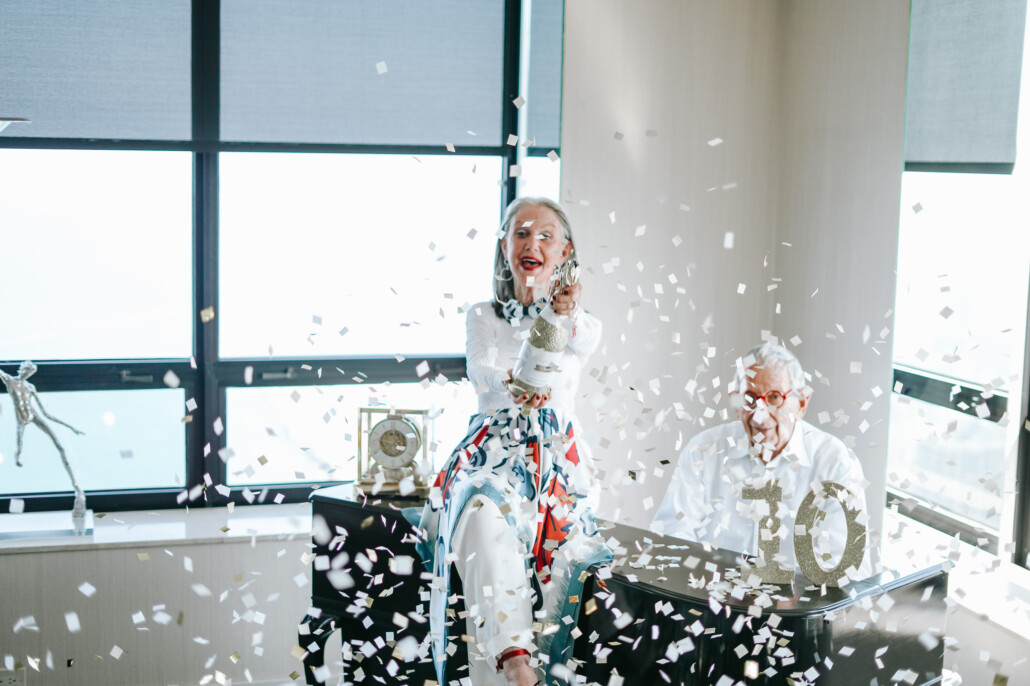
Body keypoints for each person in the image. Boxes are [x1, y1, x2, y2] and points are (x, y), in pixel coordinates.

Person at [417, 197, 611, 686]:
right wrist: (518, 380)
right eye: (522, 234)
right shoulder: (482, 315)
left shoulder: (580, 325)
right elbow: (482, 374)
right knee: (483, 514)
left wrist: (561, 309)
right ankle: (514, 659)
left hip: (552, 465)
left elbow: (578, 338)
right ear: (505, 246)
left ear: (565, 252)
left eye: (547, 236)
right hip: (491, 454)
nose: (533, 244)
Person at [651, 343, 872, 580]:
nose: (759, 414)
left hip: (799, 610)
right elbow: (670, 538)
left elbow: (849, 571)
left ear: (801, 404)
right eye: (749, 398)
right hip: (710, 603)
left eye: (774, 398)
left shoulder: (836, 463)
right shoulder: (703, 450)